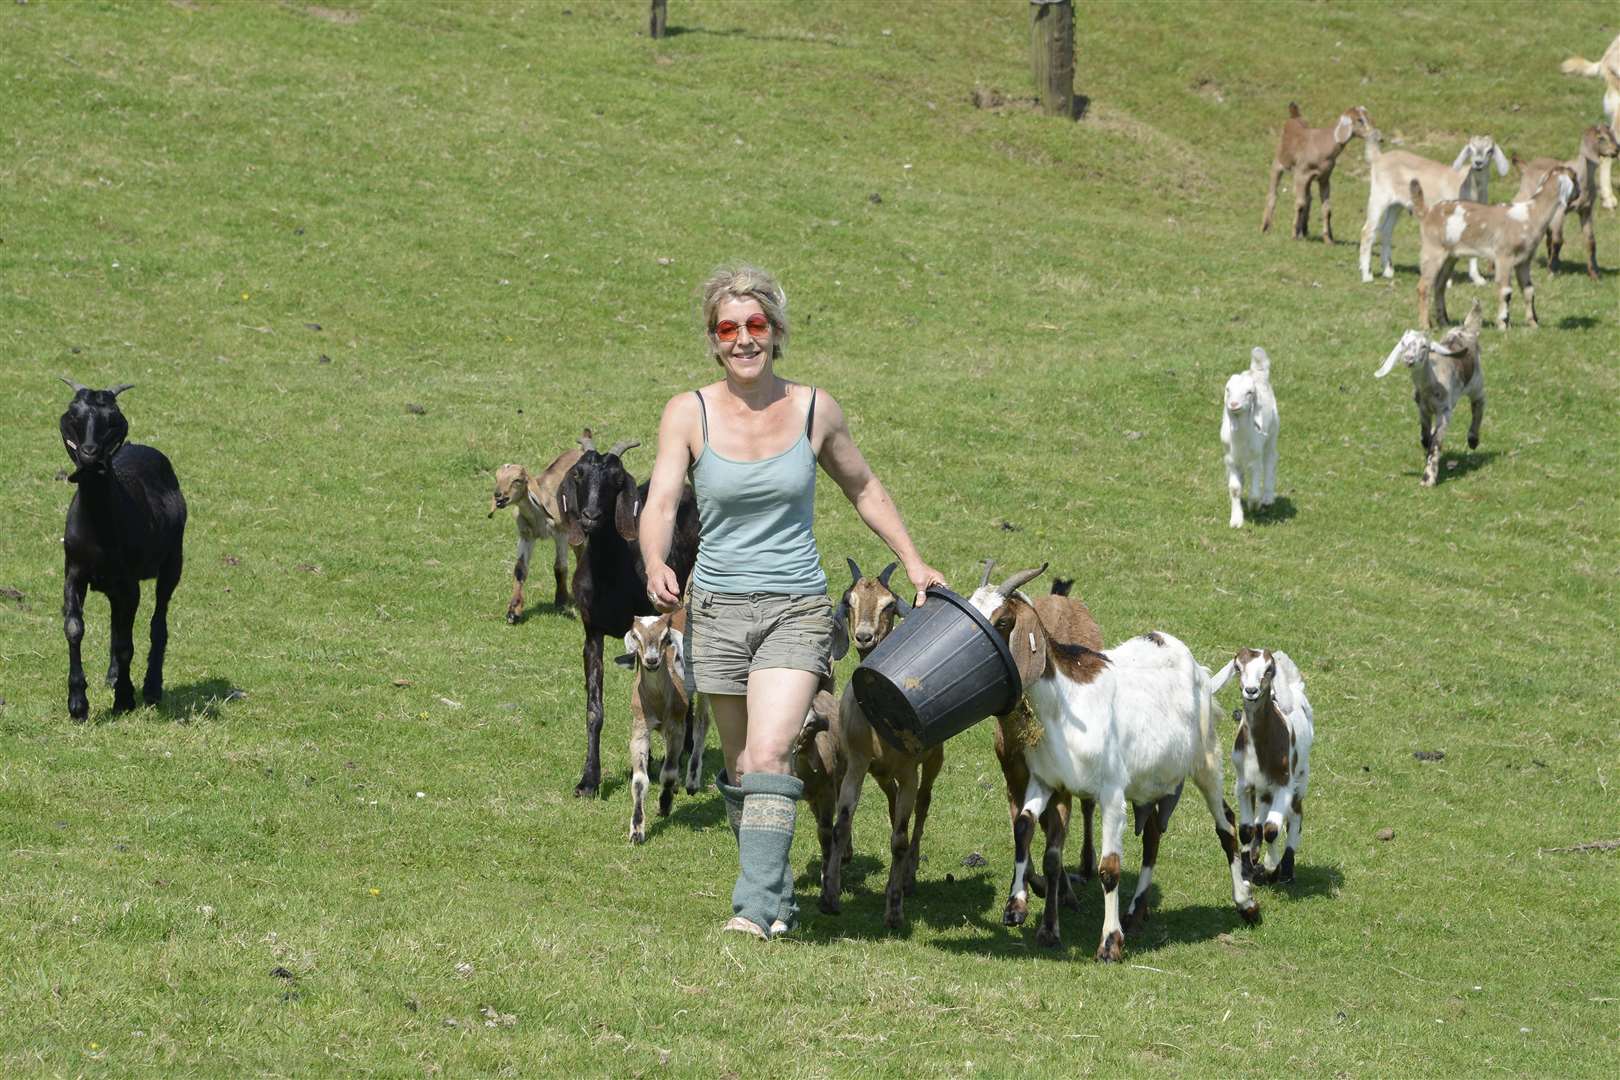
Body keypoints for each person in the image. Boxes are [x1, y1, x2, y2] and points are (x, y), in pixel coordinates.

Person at [639, 264, 945, 939]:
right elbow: (661, 498)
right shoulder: (687, 412)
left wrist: (915, 562)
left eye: (756, 326)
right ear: (713, 341)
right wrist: (656, 559)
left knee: (774, 749)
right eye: (729, 329)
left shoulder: (815, 409)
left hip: (795, 607)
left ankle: (751, 911)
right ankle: (776, 897)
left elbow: (863, 487)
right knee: (743, 764)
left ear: (776, 333)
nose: (743, 339)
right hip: (716, 607)